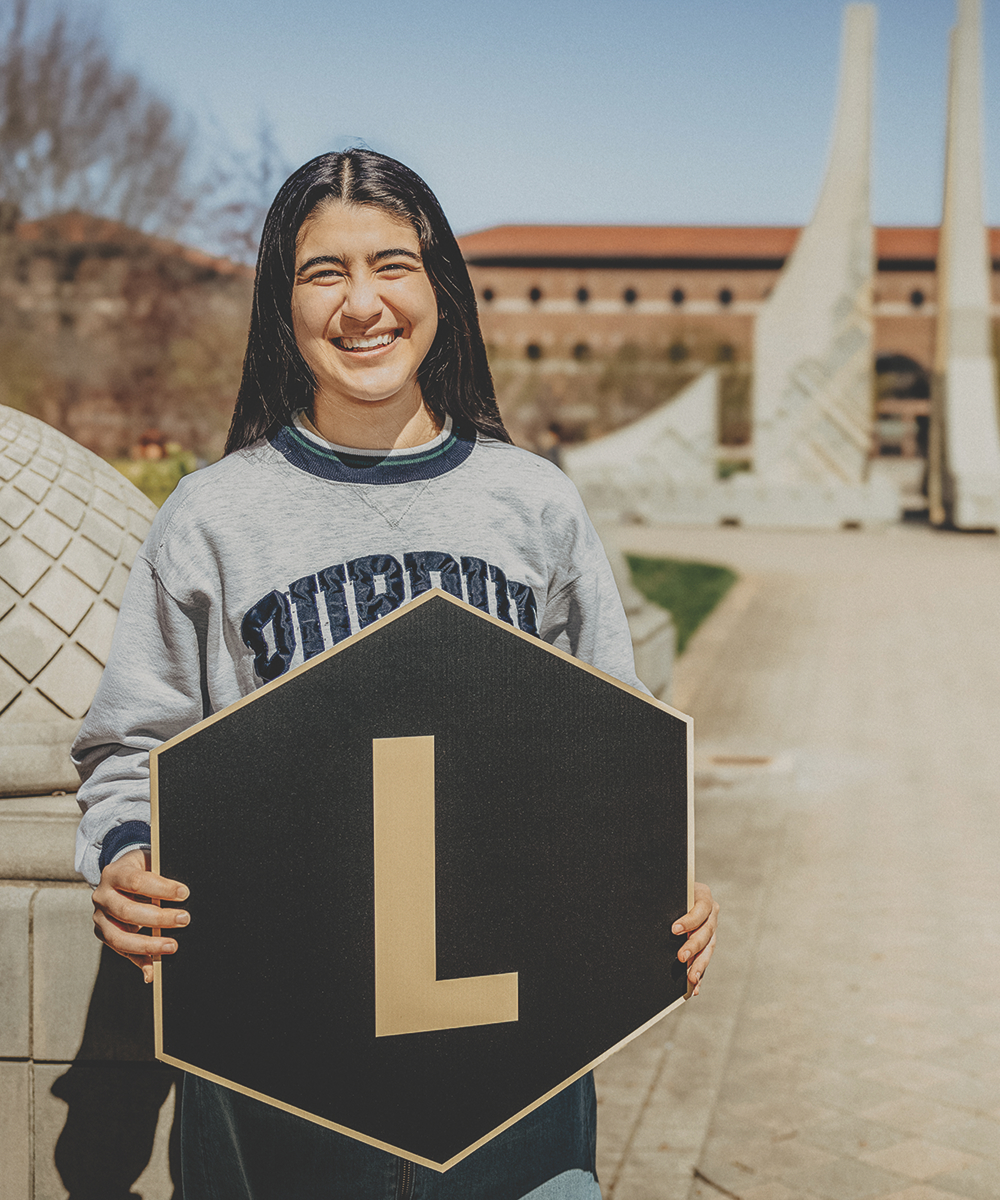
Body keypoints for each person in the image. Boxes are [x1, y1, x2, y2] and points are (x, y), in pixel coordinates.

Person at [73, 148, 718, 1200]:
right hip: (283, 1055)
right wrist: (125, 856)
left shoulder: (534, 502)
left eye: (393, 265)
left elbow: (619, 743)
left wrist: (661, 886)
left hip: (510, 1068)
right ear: (281, 306)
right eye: (323, 273)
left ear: (440, 291)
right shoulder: (213, 514)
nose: (362, 303)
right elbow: (129, 744)